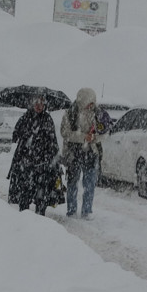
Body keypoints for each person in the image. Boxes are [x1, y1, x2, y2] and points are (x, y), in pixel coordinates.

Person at [7, 95, 60, 215]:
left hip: (42, 163)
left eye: (41, 103)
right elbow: (15, 136)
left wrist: (52, 157)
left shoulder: (47, 119)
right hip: (26, 162)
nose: (39, 106)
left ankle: (40, 219)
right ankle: (24, 217)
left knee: (41, 196)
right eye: (36, 103)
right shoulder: (25, 117)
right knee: (25, 193)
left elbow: (52, 141)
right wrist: (26, 134)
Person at [61, 87, 105, 219]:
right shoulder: (70, 113)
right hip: (73, 152)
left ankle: (87, 210)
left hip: (91, 152)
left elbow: (104, 132)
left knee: (90, 183)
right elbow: (65, 133)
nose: (91, 105)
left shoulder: (98, 113)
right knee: (72, 182)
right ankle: (71, 210)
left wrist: (94, 137)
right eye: (89, 101)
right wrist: (83, 137)